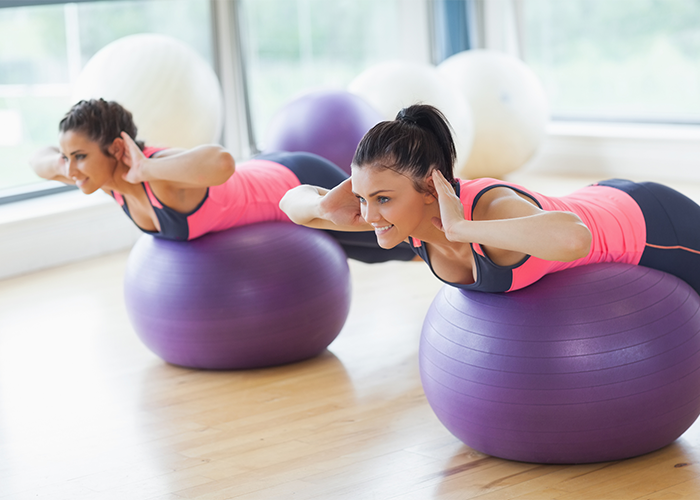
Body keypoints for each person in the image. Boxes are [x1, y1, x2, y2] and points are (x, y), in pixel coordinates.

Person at [280, 103, 700, 294]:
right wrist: (324, 208)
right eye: (362, 197)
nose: (369, 214)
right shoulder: (397, 217)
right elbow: (289, 203)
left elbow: (577, 238)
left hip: (651, 224)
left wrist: (462, 228)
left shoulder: (491, 211)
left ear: (430, 189)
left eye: (382, 198)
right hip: (599, 198)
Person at [29, 98, 414, 263]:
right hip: (268, 177)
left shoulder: (160, 173)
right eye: (68, 156)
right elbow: (38, 160)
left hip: (296, 182)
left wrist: (146, 170)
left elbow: (222, 161)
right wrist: (66, 164)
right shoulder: (104, 179)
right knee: (368, 253)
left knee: (409, 244)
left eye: (80, 157)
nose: (72, 168)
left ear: (115, 149)